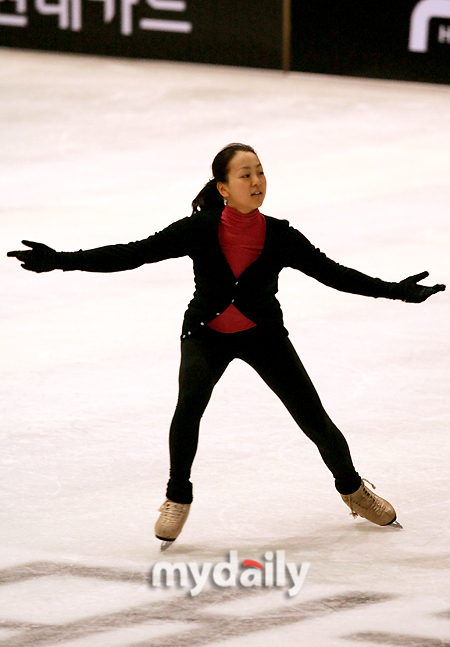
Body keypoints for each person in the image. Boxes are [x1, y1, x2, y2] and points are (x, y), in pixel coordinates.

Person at [7, 143, 446, 549]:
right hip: (206, 332)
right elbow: (133, 253)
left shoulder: (280, 235)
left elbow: (334, 273)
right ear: (223, 188)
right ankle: (177, 496)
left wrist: (396, 291)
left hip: (262, 334)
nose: (256, 181)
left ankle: (353, 489)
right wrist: (61, 261)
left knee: (312, 416)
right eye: (244, 175)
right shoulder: (199, 229)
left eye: (260, 173)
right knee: (189, 407)